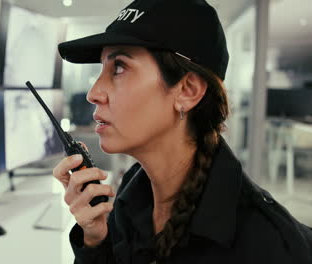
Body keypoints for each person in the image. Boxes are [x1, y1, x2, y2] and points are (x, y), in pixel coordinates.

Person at [52, 0, 312, 263]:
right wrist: (96, 241)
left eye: (119, 67)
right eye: (102, 69)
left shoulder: (268, 247)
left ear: (188, 91)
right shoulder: (131, 198)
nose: (93, 93)